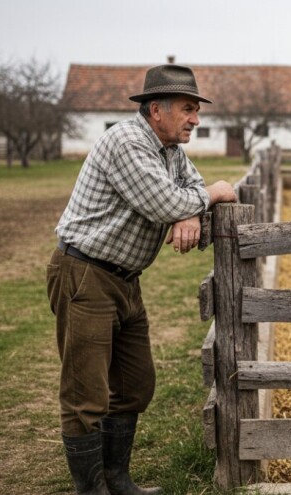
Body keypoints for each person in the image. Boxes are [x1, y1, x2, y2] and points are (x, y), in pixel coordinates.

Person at [47, 64, 237, 495]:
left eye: (196, 110)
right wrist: (203, 197)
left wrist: (189, 210)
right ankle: (91, 490)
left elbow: (186, 192)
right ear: (157, 110)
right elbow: (166, 200)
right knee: (86, 394)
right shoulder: (127, 142)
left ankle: (118, 480)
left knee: (135, 385)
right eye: (188, 109)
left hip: (125, 279)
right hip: (85, 274)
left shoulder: (170, 150)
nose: (195, 119)